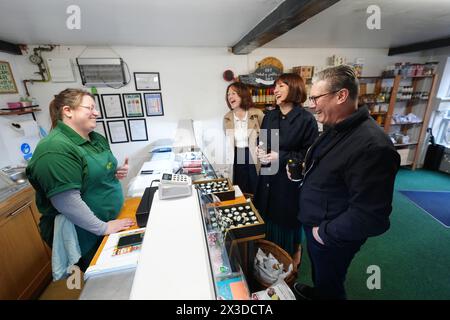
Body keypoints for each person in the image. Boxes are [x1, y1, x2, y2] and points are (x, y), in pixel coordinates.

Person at [291, 65, 400, 300]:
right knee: (322, 275)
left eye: (316, 98)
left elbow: (371, 216)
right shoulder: (337, 126)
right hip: (318, 221)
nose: (311, 104)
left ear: (341, 96)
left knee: (331, 282)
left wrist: (324, 233)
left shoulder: (373, 146)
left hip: (332, 233)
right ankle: (319, 292)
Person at [26, 88, 135, 271]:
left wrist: (114, 171)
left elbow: (89, 171)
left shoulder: (95, 138)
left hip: (108, 221)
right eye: (89, 108)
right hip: (84, 232)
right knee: (103, 278)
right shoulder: (55, 149)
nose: (96, 113)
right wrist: (103, 228)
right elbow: (67, 201)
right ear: (67, 111)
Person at [254, 73, 318, 265]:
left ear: (295, 88)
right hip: (267, 177)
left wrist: (280, 157)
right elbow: (264, 141)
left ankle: (290, 260)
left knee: (285, 222)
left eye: (281, 86)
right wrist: (260, 149)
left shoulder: (306, 120)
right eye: (275, 86)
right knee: (266, 216)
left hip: (288, 182)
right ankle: (266, 262)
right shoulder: (270, 116)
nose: (276, 90)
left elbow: (309, 154)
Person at [223, 82, 264, 195]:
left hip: (253, 153)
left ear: (243, 95)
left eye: (234, 93)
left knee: (256, 184)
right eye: (228, 94)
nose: (230, 96)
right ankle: (244, 208)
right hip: (237, 154)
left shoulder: (257, 113)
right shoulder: (227, 117)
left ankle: (258, 210)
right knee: (240, 187)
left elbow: (266, 136)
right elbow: (228, 141)